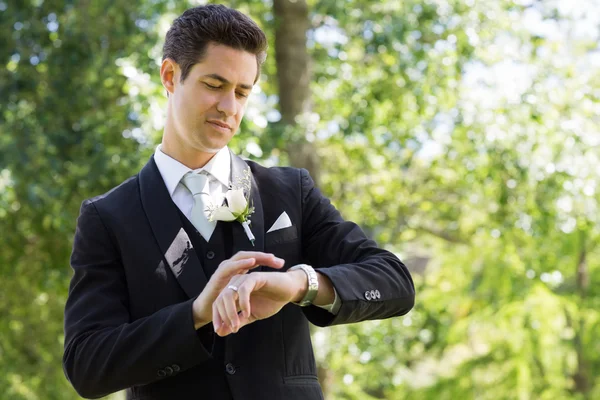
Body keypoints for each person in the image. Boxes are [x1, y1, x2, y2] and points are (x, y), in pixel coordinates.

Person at [62, 4, 415, 400]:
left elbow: (394, 282)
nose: (229, 108)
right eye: (214, 85)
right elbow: (86, 364)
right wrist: (196, 314)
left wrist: (301, 283)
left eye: (242, 92)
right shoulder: (108, 217)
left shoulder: (289, 191)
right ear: (170, 76)